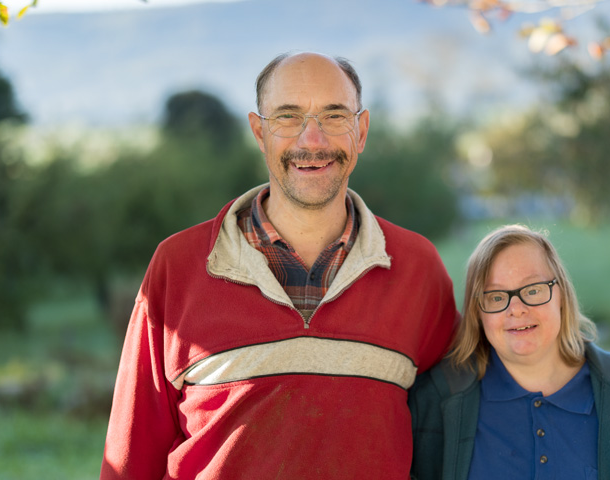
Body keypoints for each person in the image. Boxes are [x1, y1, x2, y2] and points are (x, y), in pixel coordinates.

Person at [100, 52, 458, 480]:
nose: (312, 139)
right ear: (259, 131)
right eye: (288, 117)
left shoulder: (417, 268)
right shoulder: (178, 266)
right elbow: (129, 457)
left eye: (334, 115)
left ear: (361, 131)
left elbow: (462, 417)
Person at [408, 224, 610, 480]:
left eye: (533, 289)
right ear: (477, 313)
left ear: (562, 296)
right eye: (496, 296)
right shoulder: (438, 400)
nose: (516, 309)